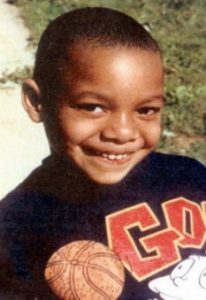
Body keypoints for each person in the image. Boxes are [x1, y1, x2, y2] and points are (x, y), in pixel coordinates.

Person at [0, 7, 206, 300]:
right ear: (37, 102)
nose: (122, 132)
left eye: (146, 110)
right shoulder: (17, 226)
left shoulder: (188, 176)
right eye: (93, 107)